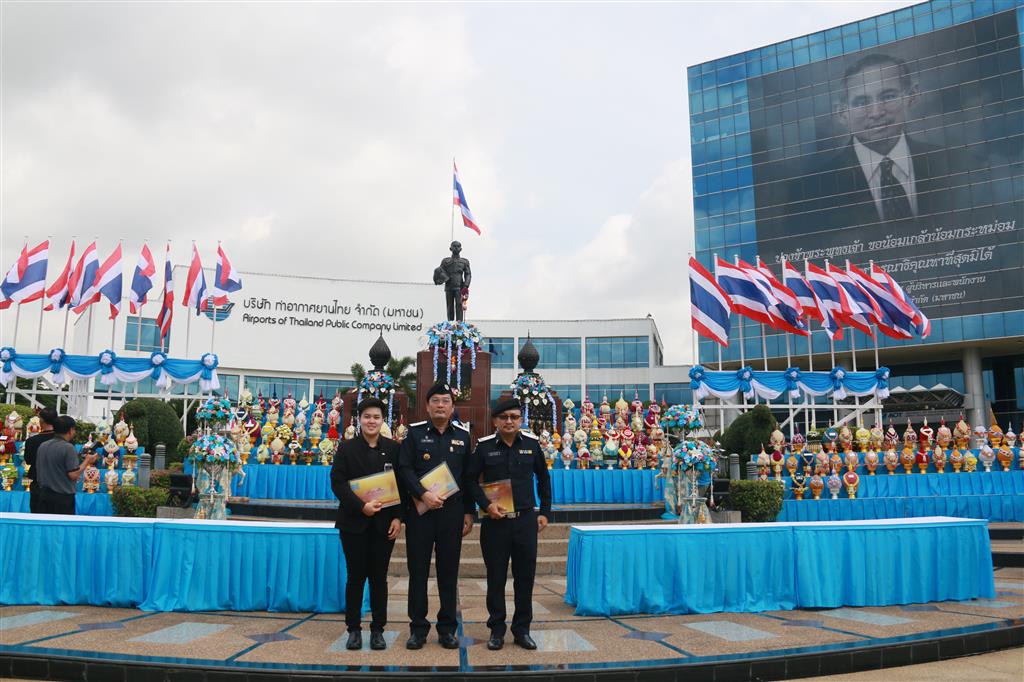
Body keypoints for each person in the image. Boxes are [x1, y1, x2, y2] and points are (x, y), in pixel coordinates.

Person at [464, 398, 552, 651]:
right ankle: (496, 630)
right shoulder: (483, 447)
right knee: (496, 578)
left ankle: (522, 630)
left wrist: (545, 511)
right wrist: (485, 505)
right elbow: (469, 480)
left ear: (520, 419)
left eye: (514, 416)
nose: (509, 421)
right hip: (495, 523)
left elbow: (544, 479)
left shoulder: (532, 445)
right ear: (495, 421)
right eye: (504, 417)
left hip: (525, 521)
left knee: (525, 578)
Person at [397, 382, 474, 650]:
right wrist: (422, 493)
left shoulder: (463, 437)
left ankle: (447, 629)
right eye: (436, 401)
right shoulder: (415, 434)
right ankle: (418, 628)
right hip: (420, 514)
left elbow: (468, 477)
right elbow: (404, 468)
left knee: (448, 573)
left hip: (451, 515)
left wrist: (469, 512)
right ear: (427, 406)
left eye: (446, 401)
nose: (441, 405)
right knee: (417, 571)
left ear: (453, 406)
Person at [330, 397, 404, 651]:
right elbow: (338, 483)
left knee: (379, 578)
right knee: (355, 577)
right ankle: (353, 629)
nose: (371, 421)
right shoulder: (347, 448)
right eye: (367, 417)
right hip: (353, 524)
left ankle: (378, 630)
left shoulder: (394, 449)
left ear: (383, 420)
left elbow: (401, 486)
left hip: (384, 525)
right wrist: (362, 506)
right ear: (359, 419)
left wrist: (398, 517)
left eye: (376, 417)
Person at [35, 416, 95, 515]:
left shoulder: (43, 445)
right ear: (71, 430)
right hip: (61, 498)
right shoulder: (68, 448)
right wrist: (87, 460)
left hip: (42, 495)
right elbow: (74, 475)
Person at [23, 408, 57, 514]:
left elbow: (27, 461)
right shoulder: (63, 442)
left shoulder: (31, 441)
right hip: (58, 484)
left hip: (38, 482)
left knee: (37, 515)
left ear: (41, 421)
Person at [433, 241, 472, 321]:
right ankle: (450, 324)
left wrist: (466, 285)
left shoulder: (464, 261)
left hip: (459, 287)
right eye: (454, 246)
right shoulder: (445, 261)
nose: (456, 248)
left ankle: (459, 324)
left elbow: (468, 274)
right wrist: (438, 277)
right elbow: (440, 271)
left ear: (461, 249)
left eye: (458, 246)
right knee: (449, 306)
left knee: (459, 305)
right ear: (450, 248)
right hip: (449, 287)